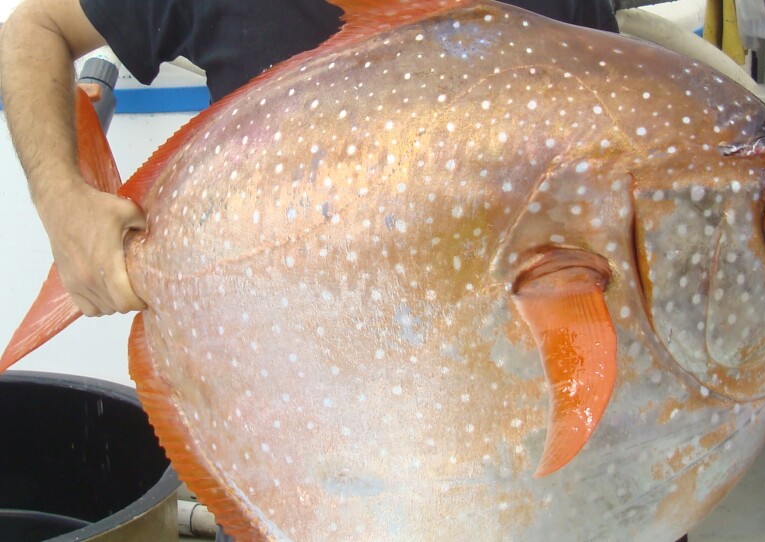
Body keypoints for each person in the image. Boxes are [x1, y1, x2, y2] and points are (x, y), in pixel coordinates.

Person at [0, 0, 620, 318]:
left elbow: (612, 166)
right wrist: (63, 203)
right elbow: (32, 28)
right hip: (284, 424)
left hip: (488, 401)